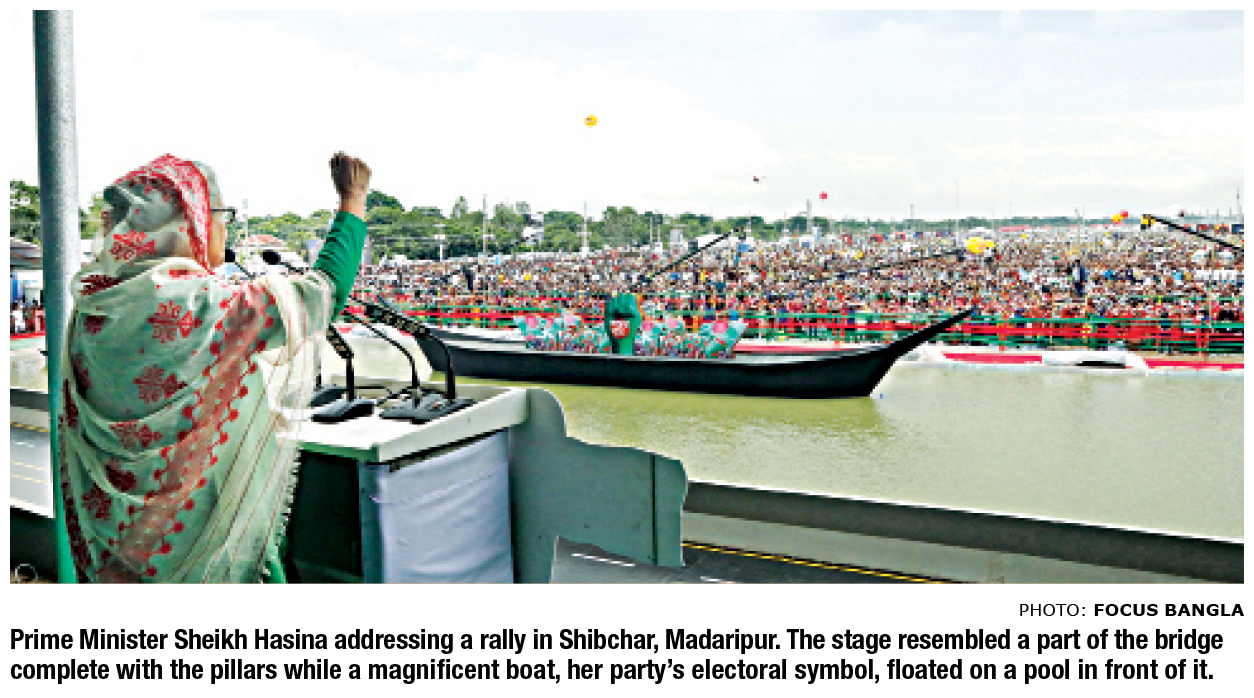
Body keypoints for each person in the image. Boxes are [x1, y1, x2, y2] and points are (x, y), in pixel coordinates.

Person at [55, 152, 370, 582]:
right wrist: (353, 200)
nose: (223, 227)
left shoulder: (92, 308)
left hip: (116, 547)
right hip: (207, 549)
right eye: (221, 214)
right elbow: (322, 293)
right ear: (188, 222)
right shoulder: (204, 306)